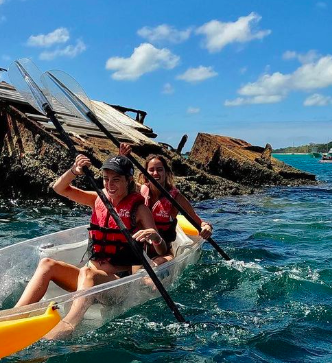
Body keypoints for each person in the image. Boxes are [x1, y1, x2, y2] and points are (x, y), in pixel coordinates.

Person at [14, 153, 167, 339]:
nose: (109, 185)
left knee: (88, 273)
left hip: (118, 286)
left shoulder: (140, 210)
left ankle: (68, 325)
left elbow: (162, 250)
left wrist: (156, 237)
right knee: (47, 264)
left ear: (128, 180)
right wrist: (74, 171)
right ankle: (15, 316)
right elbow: (59, 188)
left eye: (116, 180)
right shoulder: (97, 199)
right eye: (106, 179)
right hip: (88, 279)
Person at [119, 143, 213, 266]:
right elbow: (121, 181)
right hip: (140, 249)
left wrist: (207, 228)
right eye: (151, 170)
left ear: (166, 172)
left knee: (154, 266)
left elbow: (198, 221)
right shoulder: (139, 190)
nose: (155, 173)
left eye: (159, 169)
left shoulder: (176, 198)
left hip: (163, 253)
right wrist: (122, 158)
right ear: (145, 173)